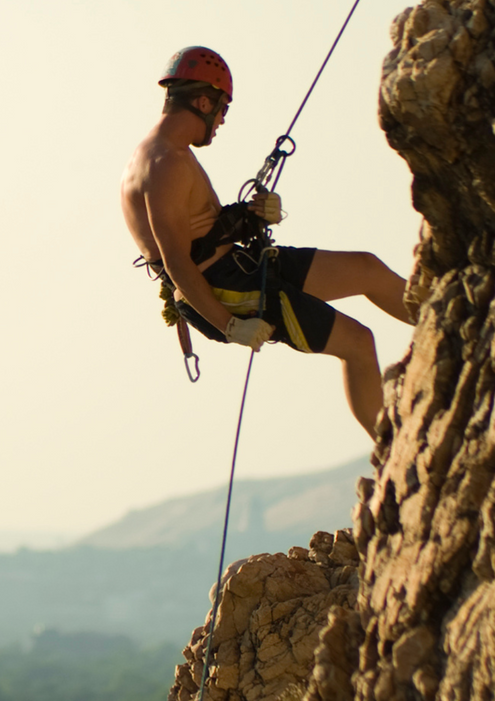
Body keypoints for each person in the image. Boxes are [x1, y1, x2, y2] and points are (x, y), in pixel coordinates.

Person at [120, 46, 413, 438]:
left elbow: (200, 231)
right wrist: (229, 326)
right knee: (358, 342)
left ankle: (444, 323)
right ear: (204, 102)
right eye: (222, 109)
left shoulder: (171, 155)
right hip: (223, 289)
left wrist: (252, 215)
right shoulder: (164, 163)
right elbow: (176, 261)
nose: (222, 120)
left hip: (238, 266)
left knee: (366, 268)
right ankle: (390, 446)